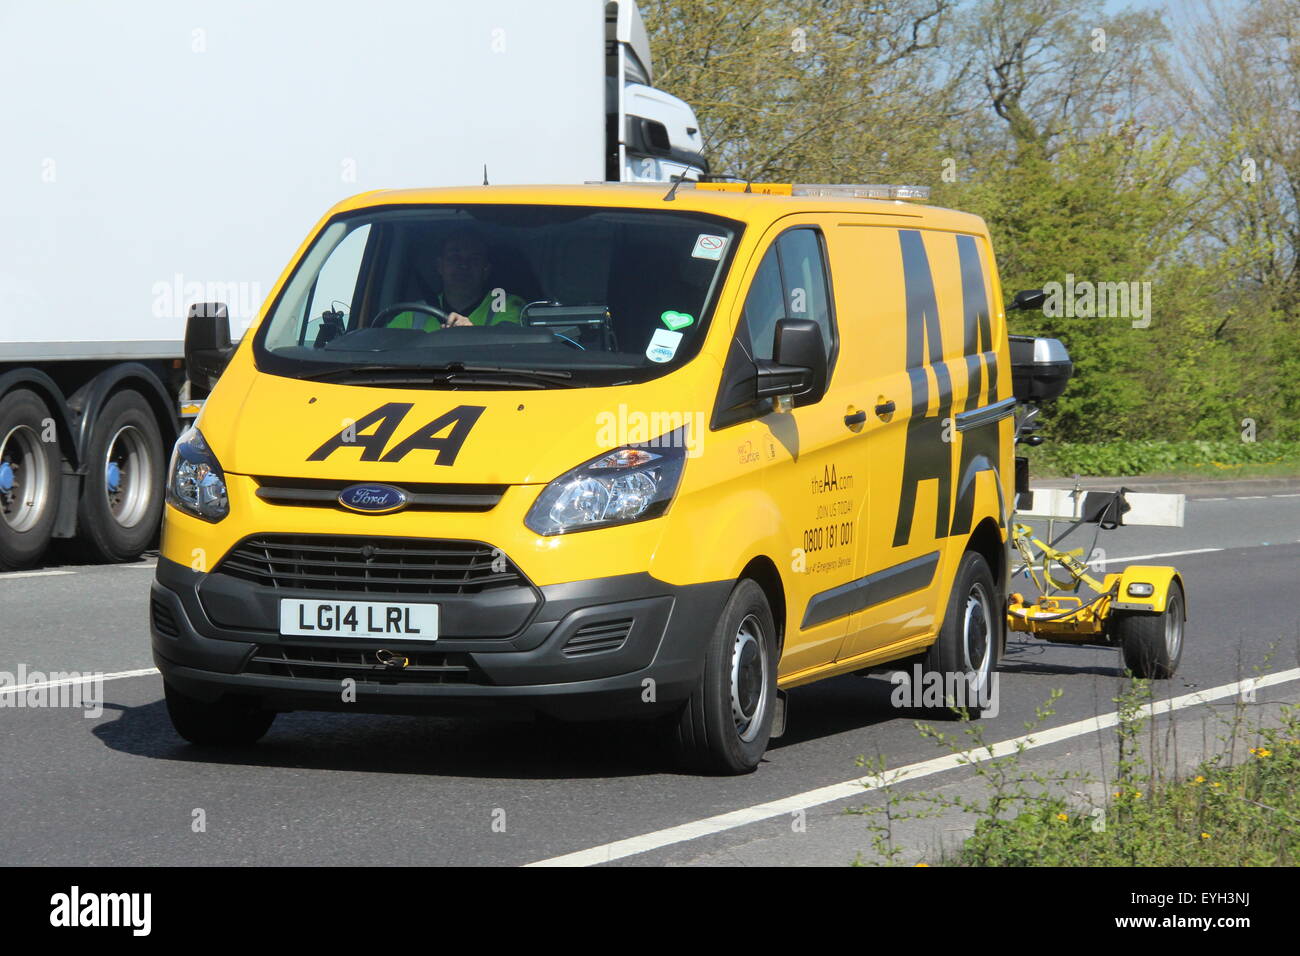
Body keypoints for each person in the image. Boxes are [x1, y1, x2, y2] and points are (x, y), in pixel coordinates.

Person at [388, 229, 525, 330]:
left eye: (474, 259)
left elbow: (510, 350)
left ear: (486, 270)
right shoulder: (413, 314)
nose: (464, 265)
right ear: (439, 267)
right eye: (454, 258)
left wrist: (473, 334)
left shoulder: (504, 305)